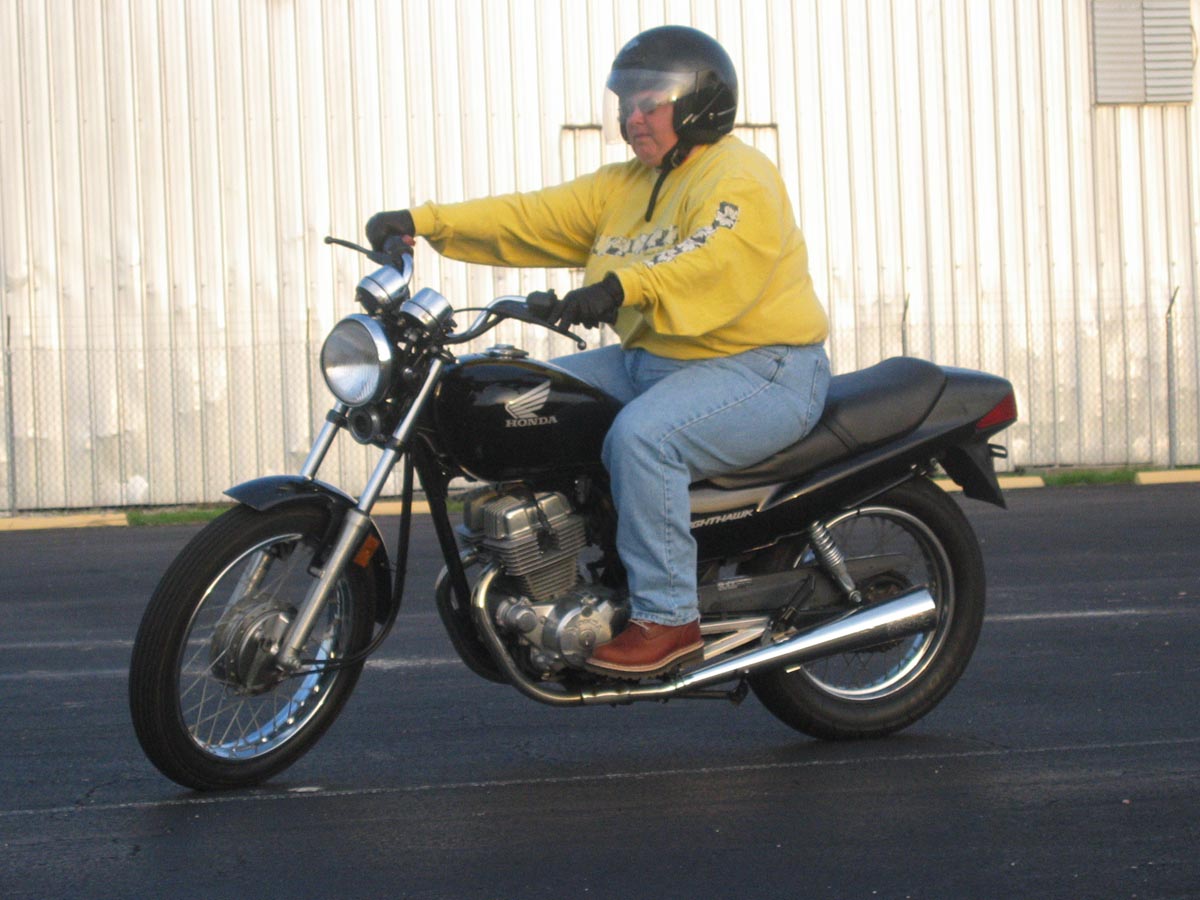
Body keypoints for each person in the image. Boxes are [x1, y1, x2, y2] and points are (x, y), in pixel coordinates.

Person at [366, 25, 830, 679]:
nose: (632, 117)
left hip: (763, 367)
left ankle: (668, 621)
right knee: (523, 402)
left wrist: (618, 289)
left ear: (700, 104)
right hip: (654, 363)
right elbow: (531, 215)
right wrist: (424, 223)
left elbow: (711, 260)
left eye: (651, 103)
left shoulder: (740, 176)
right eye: (626, 103)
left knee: (644, 440)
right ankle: (558, 577)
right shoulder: (627, 185)